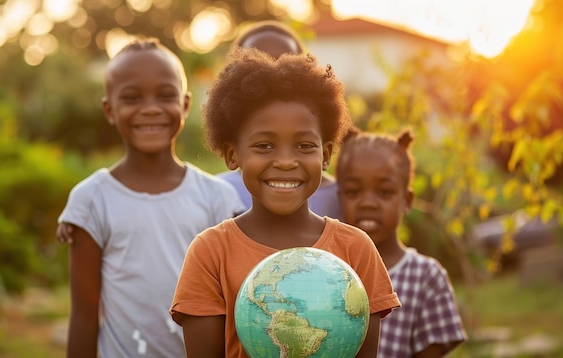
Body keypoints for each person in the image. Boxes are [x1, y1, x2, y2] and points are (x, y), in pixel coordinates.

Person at [169, 47, 401, 358]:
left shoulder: (357, 250)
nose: (286, 161)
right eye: (264, 145)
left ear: (327, 154)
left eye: (304, 145)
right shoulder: (210, 253)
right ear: (232, 154)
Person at [58, 38, 244, 357]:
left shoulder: (218, 198)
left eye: (165, 95)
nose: (150, 108)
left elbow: (235, 306)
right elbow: (84, 317)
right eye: (131, 98)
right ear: (109, 109)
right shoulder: (91, 200)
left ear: (185, 105)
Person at [335, 128, 467, 357]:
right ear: (340, 197)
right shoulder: (325, 268)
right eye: (354, 191)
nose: (368, 203)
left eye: (384, 193)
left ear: (406, 201)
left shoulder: (426, 277)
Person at [215, 20, 342, 219]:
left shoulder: (339, 198)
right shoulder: (215, 194)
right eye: (254, 66)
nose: (272, 78)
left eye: (285, 66)